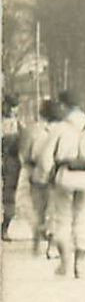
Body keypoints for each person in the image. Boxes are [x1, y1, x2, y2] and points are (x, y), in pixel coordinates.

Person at [44, 91, 85, 277]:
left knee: (62, 219)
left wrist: (46, 177)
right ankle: (80, 263)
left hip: (65, 175)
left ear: (65, 106)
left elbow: (47, 156)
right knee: (84, 219)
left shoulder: (59, 128)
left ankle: (64, 263)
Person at [25, 99, 64, 257]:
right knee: (55, 212)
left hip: (37, 176)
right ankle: (51, 246)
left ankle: (37, 244)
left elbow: (29, 155)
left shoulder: (35, 130)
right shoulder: (63, 130)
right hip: (56, 176)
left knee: (39, 211)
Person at [1, 93, 19, 240]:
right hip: (4, 159)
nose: (13, 111)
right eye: (11, 107)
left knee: (9, 197)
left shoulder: (16, 122)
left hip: (11, 162)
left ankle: (5, 228)